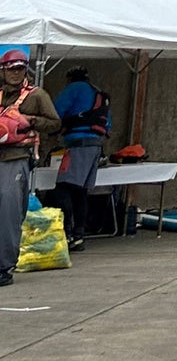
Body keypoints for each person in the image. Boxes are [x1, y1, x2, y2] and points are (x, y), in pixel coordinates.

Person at [0, 49, 60, 286]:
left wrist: (31, 121)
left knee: (8, 210)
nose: (16, 73)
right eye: (11, 69)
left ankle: (4, 267)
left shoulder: (37, 96)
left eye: (20, 69)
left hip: (16, 158)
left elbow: (55, 123)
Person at [52, 63, 111, 253]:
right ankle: (78, 236)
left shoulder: (73, 89)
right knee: (80, 192)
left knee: (62, 189)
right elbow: (107, 123)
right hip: (95, 147)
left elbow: (55, 112)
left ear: (70, 78)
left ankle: (68, 233)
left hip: (78, 145)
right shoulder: (97, 92)